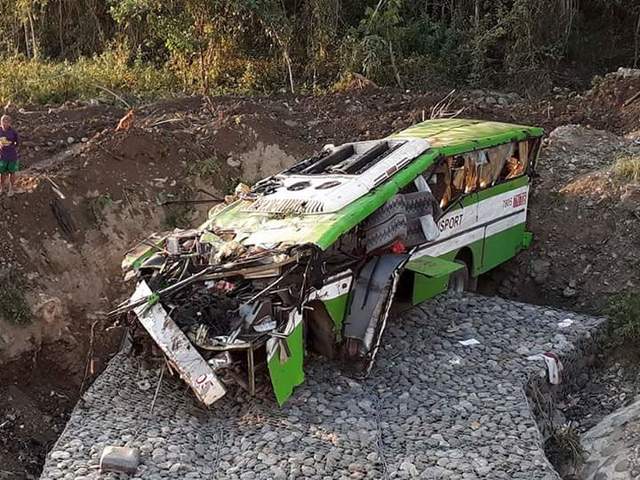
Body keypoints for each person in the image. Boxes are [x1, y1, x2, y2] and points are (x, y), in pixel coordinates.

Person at [0, 114, 19, 196]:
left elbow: (17, 143)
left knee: (12, 172)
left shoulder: (13, 132)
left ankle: (11, 188)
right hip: (2, 156)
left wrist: (11, 146)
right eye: (3, 121)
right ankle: (2, 188)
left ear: (10, 123)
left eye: (7, 122)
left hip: (12, 156)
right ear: (1, 122)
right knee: (2, 173)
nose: (5, 123)